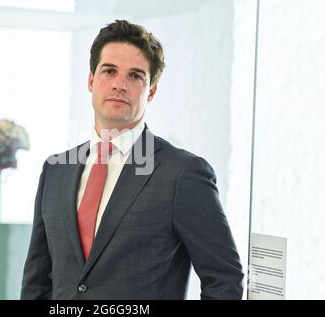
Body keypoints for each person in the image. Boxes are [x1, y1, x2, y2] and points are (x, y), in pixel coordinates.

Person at [21, 20, 244, 300]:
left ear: (151, 91)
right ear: (91, 80)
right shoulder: (56, 170)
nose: (120, 85)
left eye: (136, 76)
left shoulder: (183, 174)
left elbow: (224, 280)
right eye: (109, 71)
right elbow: (36, 281)